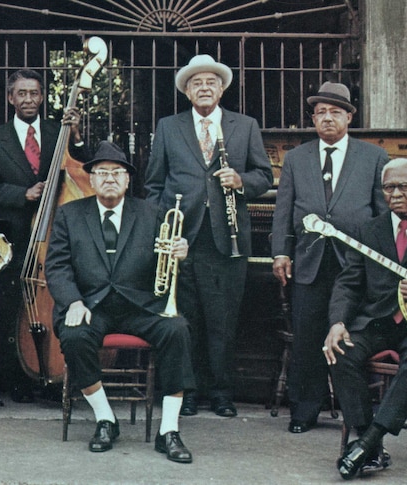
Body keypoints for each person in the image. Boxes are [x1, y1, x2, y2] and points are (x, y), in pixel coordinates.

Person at [46, 141, 195, 462]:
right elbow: (56, 266)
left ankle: (168, 430)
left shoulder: (153, 213)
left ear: (128, 179)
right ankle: (105, 419)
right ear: (92, 179)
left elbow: (168, 264)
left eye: (117, 172)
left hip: (141, 306)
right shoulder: (69, 214)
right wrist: (72, 301)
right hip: (91, 306)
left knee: (178, 330)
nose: (110, 178)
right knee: (73, 335)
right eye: (102, 173)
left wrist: (180, 254)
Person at [144, 54, 273, 417]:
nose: (204, 88)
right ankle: (185, 392)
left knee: (223, 321)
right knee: (185, 321)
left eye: (211, 82)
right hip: (182, 240)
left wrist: (241, 181)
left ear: (221, 88)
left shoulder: (245, 126)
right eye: (196, 83)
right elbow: (154, 184)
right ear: (187, 92)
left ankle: (221, 393)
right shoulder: (169, 127)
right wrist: (161, 231)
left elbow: (264, 175)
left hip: (226, 239)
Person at [271, 82, 388, 434]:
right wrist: (280, 251)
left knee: (351, 337)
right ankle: (304, 411)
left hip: (355, 266)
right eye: (320, 112)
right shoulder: (296, 158)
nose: (327, 118)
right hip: (309, 262)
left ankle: (359, 415)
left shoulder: (374, 157)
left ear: (349, 117)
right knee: (307, 339)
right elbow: (283, 210)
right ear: (313, 119)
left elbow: (382, 216)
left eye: (335, 112)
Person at [325, 158, 407, 479]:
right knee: (339, 352)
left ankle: (367, 443)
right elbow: (349, 282)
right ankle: (372, 445)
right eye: (388, 187)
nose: (394, 193)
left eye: (403, 186)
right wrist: (337, 323)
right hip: (380, 322)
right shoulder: (369, 230)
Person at [0, 69, 87, 401]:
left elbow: (85, 168)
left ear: (42, 97)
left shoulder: (59, 132)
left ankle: (52, 375)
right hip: (15, 238)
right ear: (11, 98)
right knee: (10, 308)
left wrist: (77, 135)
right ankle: (17, 378)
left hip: (54, 236)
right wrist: (22, 194)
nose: (28, 99)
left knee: (52, 305)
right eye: (21, 93)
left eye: (34, 93)